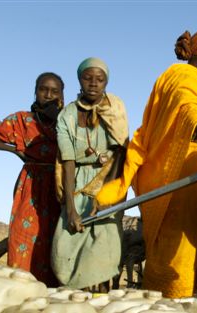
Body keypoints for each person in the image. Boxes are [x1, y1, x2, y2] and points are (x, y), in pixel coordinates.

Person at [96, 31, 197, 298]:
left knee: (183, 253)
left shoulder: (193, 82)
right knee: (175, 256)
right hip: (175, 183)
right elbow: (189, 111)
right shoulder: (183, 77)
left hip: (184, 179)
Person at [0, 72, 64, 287]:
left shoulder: (67, 122)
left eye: (54, 91)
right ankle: (18, 292)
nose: (48, 95)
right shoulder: (22, 120)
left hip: (60, 186)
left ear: (61, 96)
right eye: (44, 89)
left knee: (56, 242)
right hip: (31, 184)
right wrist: (14, 150)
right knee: (23, 236)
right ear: (35, 91)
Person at [51, 57, 128, 289]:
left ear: (106, 82)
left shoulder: (115, 107)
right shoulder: (67, 115)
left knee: (105, 246)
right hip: (76, 184)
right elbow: (68, 160)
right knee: (68, 244)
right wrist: (71, 208)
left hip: (109, 179)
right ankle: (77, 302)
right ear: (79, 80)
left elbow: (121, 151)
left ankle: (101, 299)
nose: (93, 83)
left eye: (100, 79)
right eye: (88, 78)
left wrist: (107, 197)